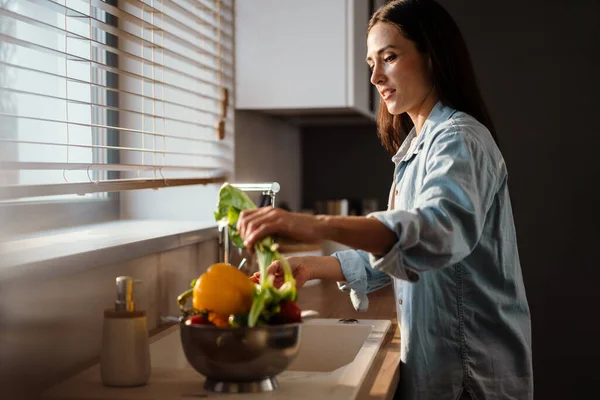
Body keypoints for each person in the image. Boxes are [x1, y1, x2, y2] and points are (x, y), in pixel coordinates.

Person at [237, 1, 533, 399]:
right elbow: (401, 254)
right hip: (442, 370)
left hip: (469, 376)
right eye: (370, 63)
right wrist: (308, 266)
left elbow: (432, 234)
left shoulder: (459, 139)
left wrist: (306, 224)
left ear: (433, 56)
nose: (375, 76)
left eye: (389, 57)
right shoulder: (416, 150)